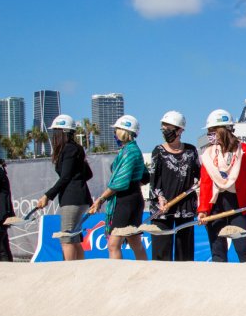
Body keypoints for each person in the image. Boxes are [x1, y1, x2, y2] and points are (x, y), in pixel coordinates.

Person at [197, 109, 246, 262]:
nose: (209, 135)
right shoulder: (207, 154)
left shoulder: (245, 150)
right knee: (218, 251)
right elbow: (205, 185)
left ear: (223, 131)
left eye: (212, 131)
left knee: (243, 248)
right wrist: (202, 209)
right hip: (215, 206)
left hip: (239, 205)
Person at [89, 115, 148, 261]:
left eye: (116, 130)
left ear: (123, 131)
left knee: (113, 245)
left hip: (126, 201)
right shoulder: (131, 150)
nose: (114, 133)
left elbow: (120, 182)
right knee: (135, 242)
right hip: (133, 198)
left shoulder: (130, 151)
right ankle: (146, 272)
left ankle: (116, 277)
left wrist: (101, 199)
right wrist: (133, 185)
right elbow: (145, 177)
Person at [36, 114, 93, 261]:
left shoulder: (68, 150)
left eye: (55, 132)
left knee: (66, 238)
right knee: (74, 237)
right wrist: (77, 180)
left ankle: (68, 271)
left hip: (72, 198)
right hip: (81, 197)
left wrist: (47, 196)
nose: (53, 136)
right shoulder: (77, 149)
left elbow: (65, 177)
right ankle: (80, 269)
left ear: (62, 133)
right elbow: (88, 174)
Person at [148, 111, 200, 262]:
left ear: (180, 130)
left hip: (185, 207)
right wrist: (160, 197)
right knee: (161, 252)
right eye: (163, 129)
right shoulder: (158, 151)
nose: (165, 132)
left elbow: (200, 174)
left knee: (185, 253)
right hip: (162, 208)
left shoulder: (191, 151)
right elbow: (154, 179)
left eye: (169, 129)